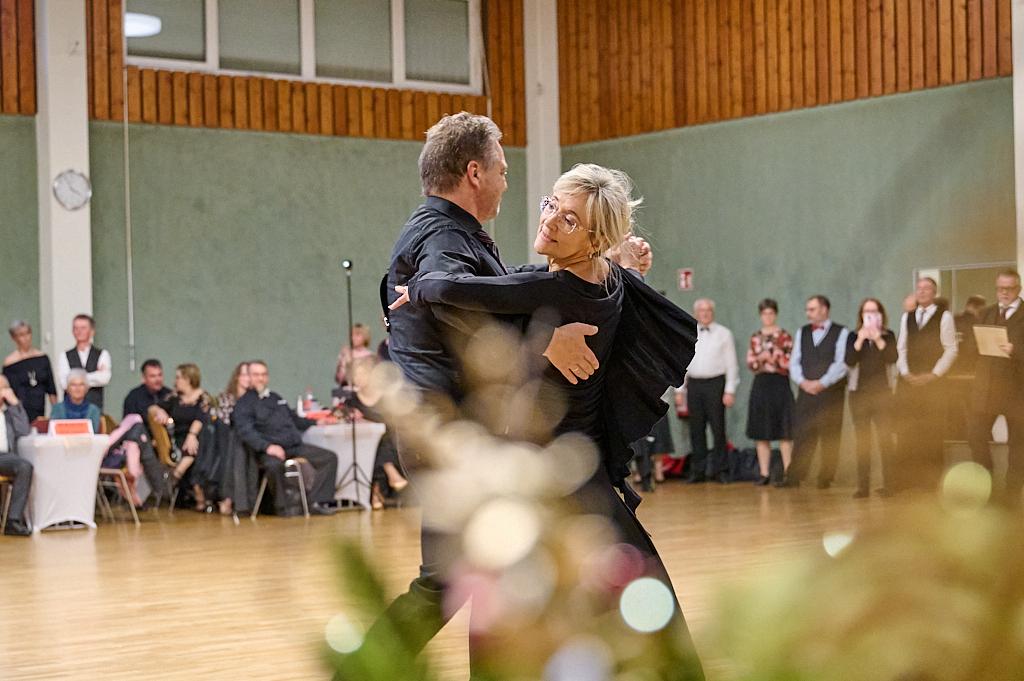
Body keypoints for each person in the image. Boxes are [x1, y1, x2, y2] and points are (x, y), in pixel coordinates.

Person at [386, 162, 704, 678]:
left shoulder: (559, 291)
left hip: (550, 478)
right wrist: (621, 256)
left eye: (570, 219)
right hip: (581, 469)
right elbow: (526, 284)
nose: (551, 221)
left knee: (503, 609)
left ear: (593, 237)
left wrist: (415, 289)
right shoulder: (601, 279)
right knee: (635, 598)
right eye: (551, 204)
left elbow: (462, 291)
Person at [232, 360, 338, 516]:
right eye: (256, 375)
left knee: (329, 458)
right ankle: (283, 506)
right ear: (249, 377)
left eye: (263, 374)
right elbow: (246, 431)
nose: (260, 378)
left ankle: (316, 502)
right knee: (274, 466)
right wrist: (268, 447)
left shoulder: (276, 397)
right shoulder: (244, 404)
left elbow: (293, 418)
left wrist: (317, 421)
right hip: (269, 450)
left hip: (294, 446)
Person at [895, 277, 957, 491]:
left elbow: (951, 349)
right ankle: (911, 480)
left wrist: (934, 374)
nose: (921, 292)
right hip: (910, 384)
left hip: (933, 385)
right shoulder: (907, 317)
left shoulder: (944, 316)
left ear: (934, 293)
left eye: (926, 289)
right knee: (911, 433)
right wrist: (905, 372)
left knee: (932, 433)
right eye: (919, 288)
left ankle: (933, 483)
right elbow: (901, 348)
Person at [968, 270, 1024, 505]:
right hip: (986, 388)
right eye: (1000, 288)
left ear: (1019, 289)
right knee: (975, 435)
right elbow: (973, 347)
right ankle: (988, 487)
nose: (1004, 293)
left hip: (1017, 391)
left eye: (1009, 289)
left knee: (1018, 446)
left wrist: (1016, 351)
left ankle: (1010, 496)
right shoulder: (988, 312)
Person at [787, 295, 849, 489]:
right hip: (806, 392)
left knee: (830, 434)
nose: (808, 313)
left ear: (824, 310)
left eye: (812, 309)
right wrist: (803, 382)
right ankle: (795, 476)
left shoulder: (842, 332)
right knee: (803, 433)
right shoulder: (802, 332)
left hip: (831, 393)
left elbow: (842, 363)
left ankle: (826, 477)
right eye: (807, 309)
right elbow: (794, 361)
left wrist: (822, 383)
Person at [674, 298, 738, 484]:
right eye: (701, 310)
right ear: (696, 313)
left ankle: (721, 470)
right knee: (696, 430)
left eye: (708, 310)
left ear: (713, 312)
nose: (705, 313)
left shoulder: (724, 334)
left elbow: (731, 365)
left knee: (718, 430)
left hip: (716, 385)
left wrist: (730, 390)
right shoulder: (688, 333)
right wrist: (679, 390)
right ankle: (698, 471)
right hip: (694, 385)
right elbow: (682, 363)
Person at [845, 298, 897, 498]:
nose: (871, 315)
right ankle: (862, 487)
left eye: (875, 312)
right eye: (867, 312)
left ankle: (889, 484)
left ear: (881, 315)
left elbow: (892, 357)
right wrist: (860, 339)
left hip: (882, 394)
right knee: (862, 442)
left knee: (885, 439)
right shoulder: (852, 336)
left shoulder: (888, 335)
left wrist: (877, 338)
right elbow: (849, 361)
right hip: (859, 395)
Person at [148, 364, 214, 511]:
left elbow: (201, 418)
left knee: (197, 445)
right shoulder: (174, 397)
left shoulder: (204, 397)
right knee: (192, 449)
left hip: (198, 436)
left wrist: (192, 435)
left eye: (178, 377)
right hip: (177, 439)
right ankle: (197, 491)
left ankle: (177, 476)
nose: (175, 381)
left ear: (188, 379)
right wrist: (160, 411)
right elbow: (151, 408)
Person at [745, 298, 795, 486]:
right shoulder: (755, 337)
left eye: (771, 313)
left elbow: (789, 363)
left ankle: (789, 471)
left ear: (776, 314)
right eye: (764, 313)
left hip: (780, 383)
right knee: (761, 431)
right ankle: (764, 472)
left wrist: (773, 358)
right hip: (761, 384)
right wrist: (760, 358)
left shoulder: (784, 336)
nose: (768, 317)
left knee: (784, 431)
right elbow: (751, 363)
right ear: (761, 315)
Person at [3, 320, 57, 422]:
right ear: (14, 338)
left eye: (28, 333)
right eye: (21, 335)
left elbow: (51, 388)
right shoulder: (10, 362)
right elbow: (9, 390)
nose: (26, 338)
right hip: (21, 409)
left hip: (40, 407)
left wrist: (55, 412)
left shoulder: (42, 358)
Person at [0, 374, 33, 536]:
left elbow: (24, 430)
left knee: (25, 466)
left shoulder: (9, 412)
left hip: (6, 457)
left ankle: (13, 520)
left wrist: (14, 404)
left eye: (2, 388)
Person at [57, 314, 111, 410]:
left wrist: (74, 379)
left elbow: (104, 378)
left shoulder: (102, 354)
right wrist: (94, 376)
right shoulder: (64, 355)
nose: (79, 331)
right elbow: (64, 383)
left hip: (94, 406)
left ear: (92, 331)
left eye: (83, 328)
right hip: (69, 409)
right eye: (76, 328)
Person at [50, 369, 102, 433]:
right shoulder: (57, 409)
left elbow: (94, 434)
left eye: (81, 384)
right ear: (67, 388)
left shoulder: (94, 410)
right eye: (73, 385)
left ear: (86, 389)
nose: (77, 388)